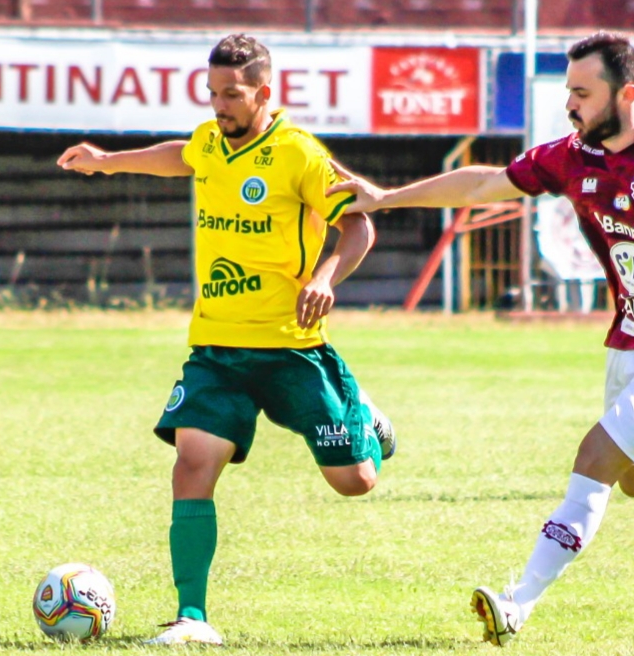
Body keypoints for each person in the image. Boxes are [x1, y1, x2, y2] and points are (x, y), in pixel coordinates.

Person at [57, 33, 396, 645]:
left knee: (354, 483)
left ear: (265, 93)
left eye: (233, 95)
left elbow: (359, 226)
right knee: (192, 467)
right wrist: (106, 160)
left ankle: (366, 422)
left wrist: (324, 277)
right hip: (216, 349)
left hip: (293, 348)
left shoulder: (299, 154)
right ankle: (192, 617)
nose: (220, 106)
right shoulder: (211, 141)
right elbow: (181, 155)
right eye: (213, 93)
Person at [327, 30, 634, 648]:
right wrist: (387, 198)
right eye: (567, 91)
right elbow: (480, 186)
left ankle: (517, 602)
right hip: (629, 346)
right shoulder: (571, 158)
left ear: (629, 94)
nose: (569, 103)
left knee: (596, 458)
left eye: (582, 92)